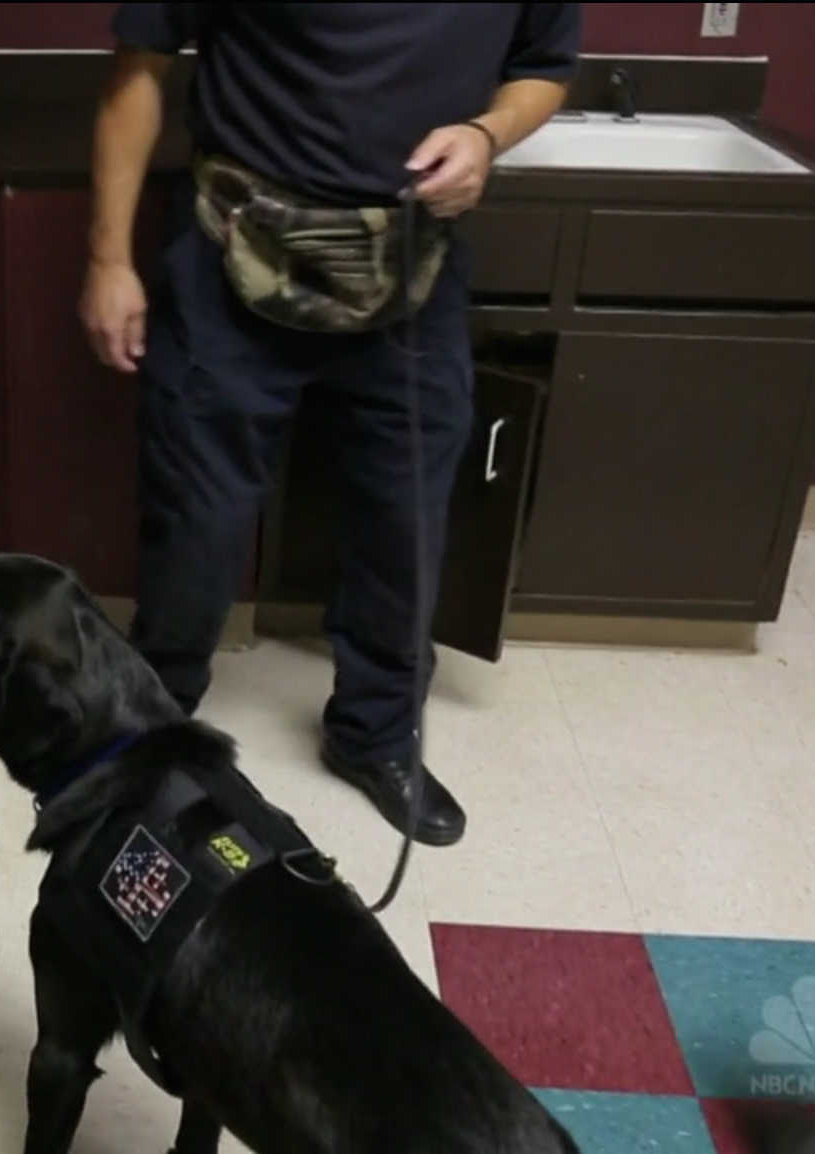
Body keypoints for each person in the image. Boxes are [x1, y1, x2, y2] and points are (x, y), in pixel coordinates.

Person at [81, 4, 580, 847]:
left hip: (408, 266)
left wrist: (488, 134)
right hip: (233, 244)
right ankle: (157, 741)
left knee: (405, 519)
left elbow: (546, 67)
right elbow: (138, 73)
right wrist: (107, 259)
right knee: (196, 521)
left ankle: (375, 736)